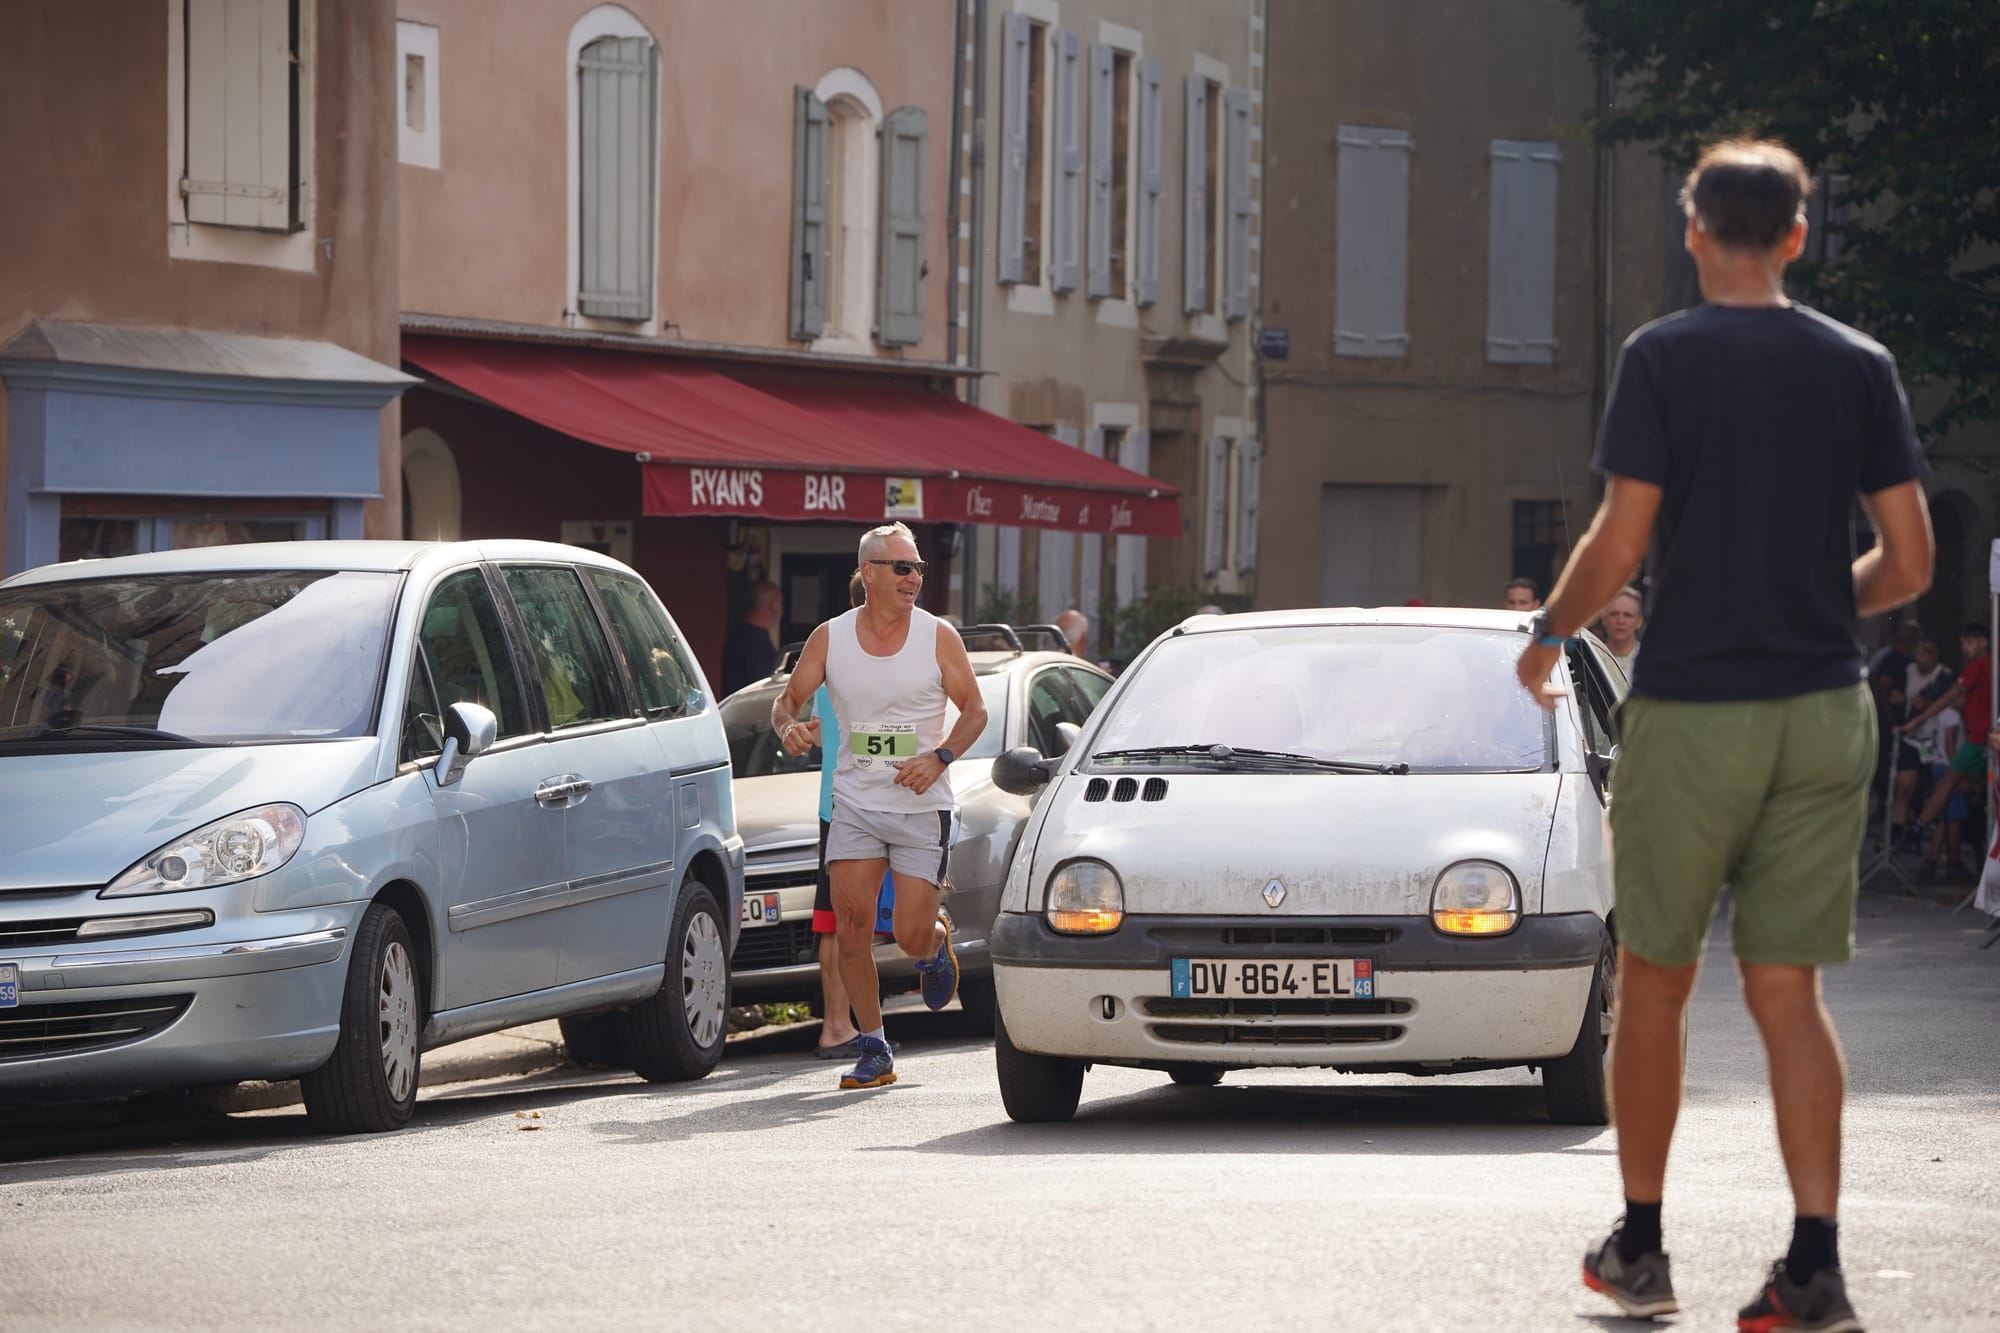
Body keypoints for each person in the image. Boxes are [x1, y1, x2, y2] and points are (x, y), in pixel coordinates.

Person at [1514, 139, 1930, 1331]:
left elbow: (1618, 538)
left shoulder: (1662, 356)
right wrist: (1810, 602)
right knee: (1787, 990)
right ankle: (1813, 1268)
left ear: (1693, 231)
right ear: (1796, 235)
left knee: (1653, 980)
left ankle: (1641, 1249)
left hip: (1694, 707)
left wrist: (1546, 635)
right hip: (1822, 711)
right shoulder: (1857, 365)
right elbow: (1908, 561)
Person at [770, 523, 988, 1090]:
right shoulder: (830, 638)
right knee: (851, 929)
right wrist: (789, 728)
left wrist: (939, 757)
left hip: (920, 806)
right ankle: (874, 1045)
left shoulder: (938, 637)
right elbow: (787, 701)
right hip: (855, 804)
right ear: (869, 572)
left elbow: (975, 712)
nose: (914, 578)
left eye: (919, 569)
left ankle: (934, 945)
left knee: (908, 936)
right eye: (903, 568)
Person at [809, 570, 874, 1060]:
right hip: (861, 802)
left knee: (837, 920)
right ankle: (839, 1025)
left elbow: (815, 731)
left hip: (837, 804)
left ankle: (842, 1024)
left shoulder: (829, 655)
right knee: (845, 920)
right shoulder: (864, 659)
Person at [1898, 623, 1992, 860]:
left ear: (1984, 642)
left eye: (1969, 642)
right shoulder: (1987, 668)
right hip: (1980, 738)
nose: (1965, 648)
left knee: (1947, 785)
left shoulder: (1978, 667)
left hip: (1978, 739)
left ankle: (1917, 829)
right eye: (1963, 643)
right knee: (1958, 796)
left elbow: (1951, 696)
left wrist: (1917, 720)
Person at [720, 580, 782, 696]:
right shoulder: (756, 643)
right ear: (773, 605)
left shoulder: (738, 634)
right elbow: (762, 687)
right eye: (780, 603)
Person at [1598, 586, 1644, 677]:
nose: (1620, 621)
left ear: (1639, 621)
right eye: (1613, 614)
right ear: (1603, 619)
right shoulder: (1592, 659)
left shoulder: (1650, 660)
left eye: (1628, 615)